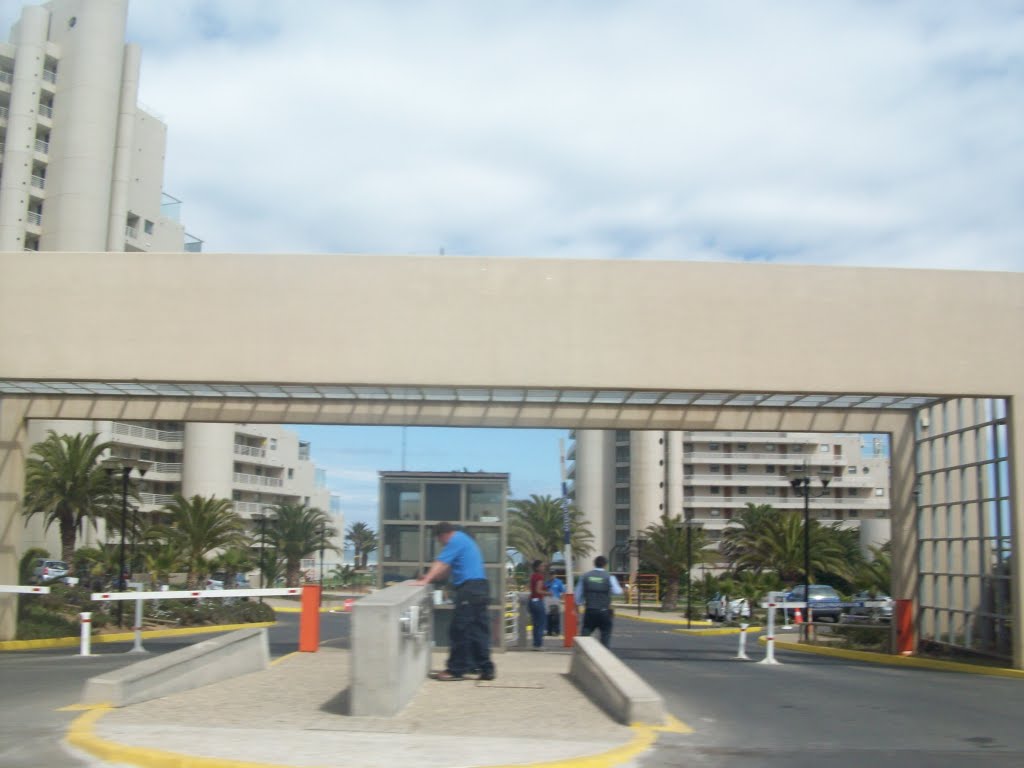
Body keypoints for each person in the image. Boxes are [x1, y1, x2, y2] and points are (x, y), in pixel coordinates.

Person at [414, 522, 495, 681]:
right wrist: (431, 578)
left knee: (459, 630)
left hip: (469, 589)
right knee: (478, 631)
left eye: (439, 540)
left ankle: (456, 670)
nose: (441, 543)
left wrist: (426, 580)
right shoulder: (465, 541)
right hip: (480, 587)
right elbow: (445, 570)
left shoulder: (456, 540)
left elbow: (441, 563)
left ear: (442, 535)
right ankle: (485, 669)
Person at [574, 555, 624, 648]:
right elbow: (617, 592)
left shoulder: (585, 576)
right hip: (604, 611)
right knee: (605, 634)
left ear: (594, 564)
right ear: (605, 565)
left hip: (590, 610)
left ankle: (583, 654)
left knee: (586, 633)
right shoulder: (609, 577)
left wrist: (577, 608)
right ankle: (604, 654)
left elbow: (577, 596)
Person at [528, 559, 547, 649]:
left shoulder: (533, 576)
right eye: (542, 566)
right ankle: (539, 644)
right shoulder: (539, 577)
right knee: (540, 623)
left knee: (535, 624)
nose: (544, 567)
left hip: (532, 601)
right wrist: (548, 593)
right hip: (538, 601)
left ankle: (535, 644)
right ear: (537, 568)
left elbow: (532, 589)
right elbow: (538, 590)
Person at [545, 570, 566, 636]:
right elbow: (544, 591)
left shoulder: (559, 582)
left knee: (556, 617)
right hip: (548, 601)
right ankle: (549, 631)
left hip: (556, 601)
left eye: (553, 574)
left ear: (555, 575)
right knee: (548, 617)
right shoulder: (547, 583)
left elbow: (563, 591)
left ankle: (556, 631)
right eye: (551, 575)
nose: (552, 576)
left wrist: (562, 599)